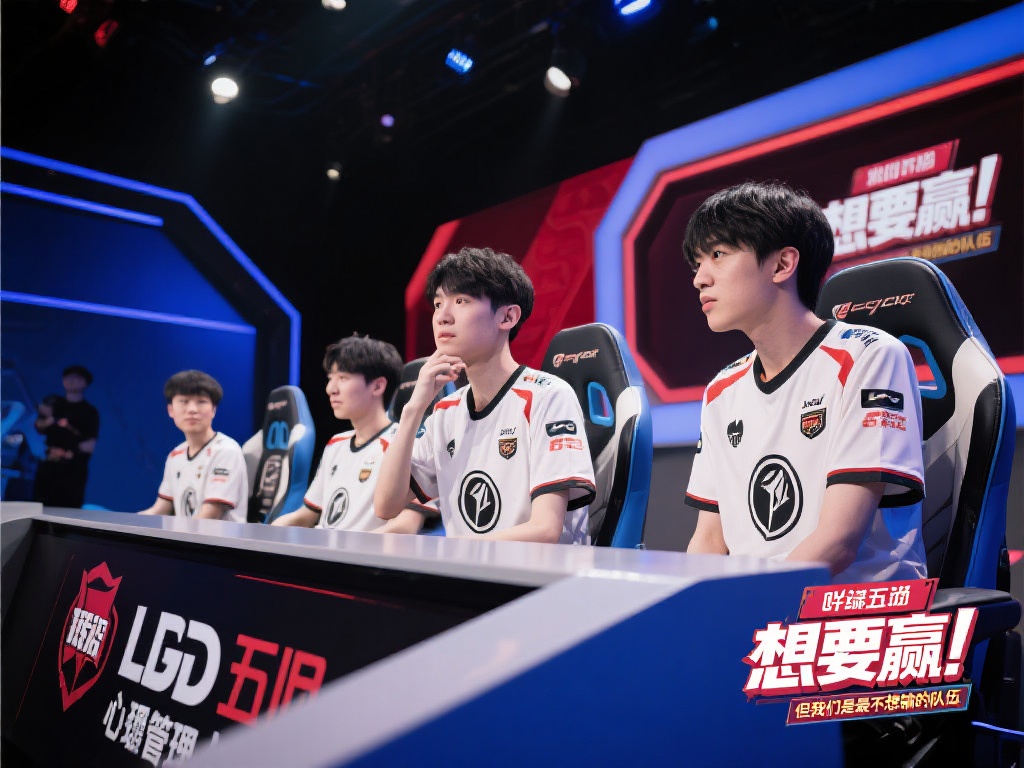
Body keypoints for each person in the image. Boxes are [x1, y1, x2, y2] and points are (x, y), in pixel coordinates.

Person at [683, 181, 926, 583]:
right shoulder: (721, 391)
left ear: (782, 264)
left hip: (853, 608)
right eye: (697, 263)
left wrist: (744, 607)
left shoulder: (869, 356)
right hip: (761, 607)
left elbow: (838, 542)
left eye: (717, 255)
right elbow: (708, 541)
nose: (700, 279)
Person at [374, 246, 597, 543]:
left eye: (461, 301)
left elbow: (545, 531)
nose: (442, 317)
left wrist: (449, 552)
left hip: (538, 571)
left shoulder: (548, 396)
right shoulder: (444, 411)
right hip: (465, 568)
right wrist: (414, 409)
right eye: (438, 304)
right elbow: (386, 506)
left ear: (507, 317)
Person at [272, 334, 427, 533]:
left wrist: (344, 549)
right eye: (330, 379)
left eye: (343, 378)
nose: (330, 389)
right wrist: (267, 532)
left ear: (378, 386)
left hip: (359, 552)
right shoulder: (335, 443)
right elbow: (307, 515)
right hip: (323, 547)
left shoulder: (405, 444)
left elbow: (405, 526)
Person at [139, 370, 248, 522]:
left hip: (215, 537)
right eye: (184, 401)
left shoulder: (226, 450)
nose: (192, 410)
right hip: (185, 535)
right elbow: (159, 509)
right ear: (171, 410)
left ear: (213, 410)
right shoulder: (175, 455)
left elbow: (210, 516)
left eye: (201, 402)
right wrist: (127, 523)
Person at [33, 364, 100, 508]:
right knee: (39, 509)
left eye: (77, 378)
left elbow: (89, 446)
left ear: (85, 383)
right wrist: (47, 420)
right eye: (68, 377)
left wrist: (67, 448)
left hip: (72, 474)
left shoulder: (89, 412)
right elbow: (37, 426)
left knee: (66, 512)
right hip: (47, 470)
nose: (71, 380)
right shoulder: (54, 403)